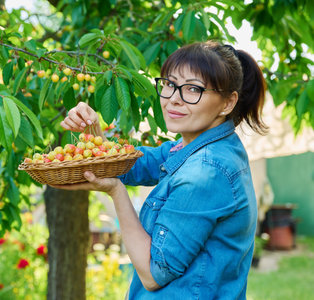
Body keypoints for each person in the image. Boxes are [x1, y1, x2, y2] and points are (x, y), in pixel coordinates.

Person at [54, 41, 267, 299]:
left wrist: (116, 192)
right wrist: (94, 135)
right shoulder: (192, 147)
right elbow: (134, 164)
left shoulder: (207, 171)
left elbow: (153, 274)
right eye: (169, 84)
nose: (173, 99)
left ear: (227, 103)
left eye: (193, 89)